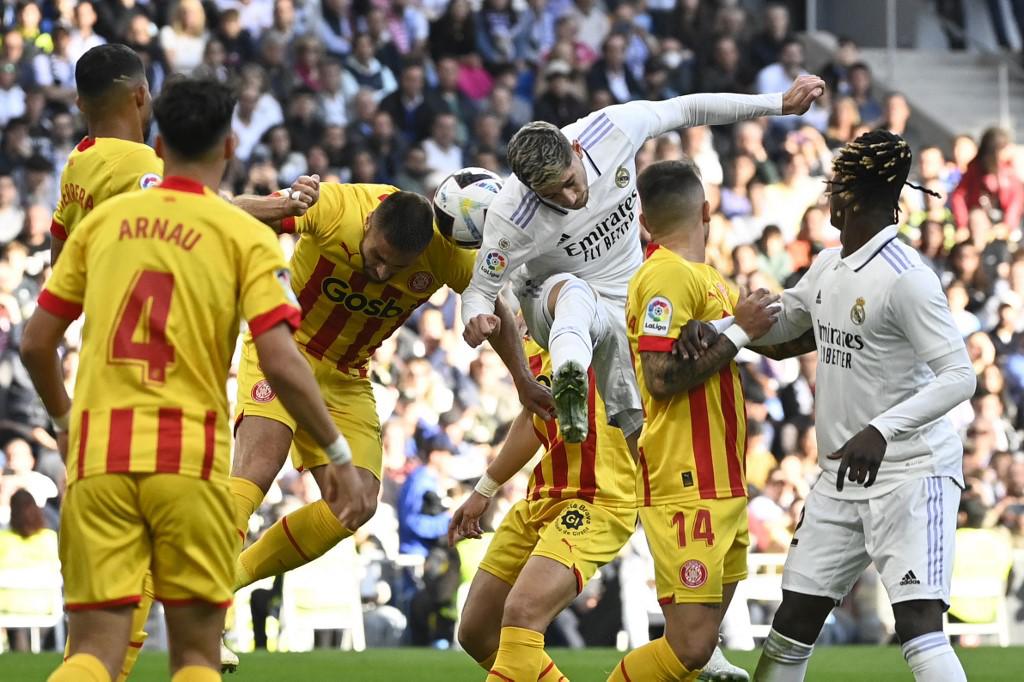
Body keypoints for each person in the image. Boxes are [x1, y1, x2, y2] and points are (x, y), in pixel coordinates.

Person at [20, 77, 364, 682]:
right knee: (197, 660)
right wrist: (335, 453)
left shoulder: (103, 223)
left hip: (101, 456)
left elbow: (35, 341)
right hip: (190, 462)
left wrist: (62, 419)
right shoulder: (244, 237)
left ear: (157, 140)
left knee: (90, 656)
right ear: (230, 146)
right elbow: (282, 361)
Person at [225, 177, 552, 665]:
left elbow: (498, 308)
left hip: (348, 376)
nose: (379, 270)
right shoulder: (335, 207)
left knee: (355, 506)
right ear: (370, 223)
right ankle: (202, 604)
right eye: (375, 255)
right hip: (284, 350)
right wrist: (283, 205)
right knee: (255, 474)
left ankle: (221, 580)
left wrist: (524, 381)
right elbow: (235, 211)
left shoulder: (445, 254)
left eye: (393, 266)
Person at [459, 76, 824, 449]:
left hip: (628, 291)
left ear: (576, 148)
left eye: (570, 181)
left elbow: (688, 108)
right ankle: (570, 368)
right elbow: (478, 290)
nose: (570, 198)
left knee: (640, 427)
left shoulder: (610, 131)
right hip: (551, 301)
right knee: (574, 292)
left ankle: (823, 315)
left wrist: (779, 103)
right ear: (530, 191)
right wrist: (475, 319)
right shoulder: (512, 219)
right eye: (553, 194)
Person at [745, 131, 976, 682]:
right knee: (791, 623)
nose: (826, 195)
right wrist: (717, 331)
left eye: (833, 185)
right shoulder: (829, 265)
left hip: (911, 474)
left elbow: (959, 376)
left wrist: (882, 430)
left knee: (919, 627)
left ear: (851, 196)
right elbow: (784, 323)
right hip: (839, 476)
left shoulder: (908, 278)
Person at [452, 333, 751, 681]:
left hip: (601, 499)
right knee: (476, 632)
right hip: (542, 496)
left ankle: (700, 650)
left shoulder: (617, 310)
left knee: (523, 610)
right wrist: (485, 487)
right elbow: (533, 418)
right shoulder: (533, 330)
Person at [608, 160, 779, 682]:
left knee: (698, 651)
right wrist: (738, 335)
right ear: (707, 211)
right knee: (689, 646)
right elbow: (659, 377)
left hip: (722, 477)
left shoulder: (705, 279)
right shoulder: (664, 274)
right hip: (685, 475)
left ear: (642, 218)